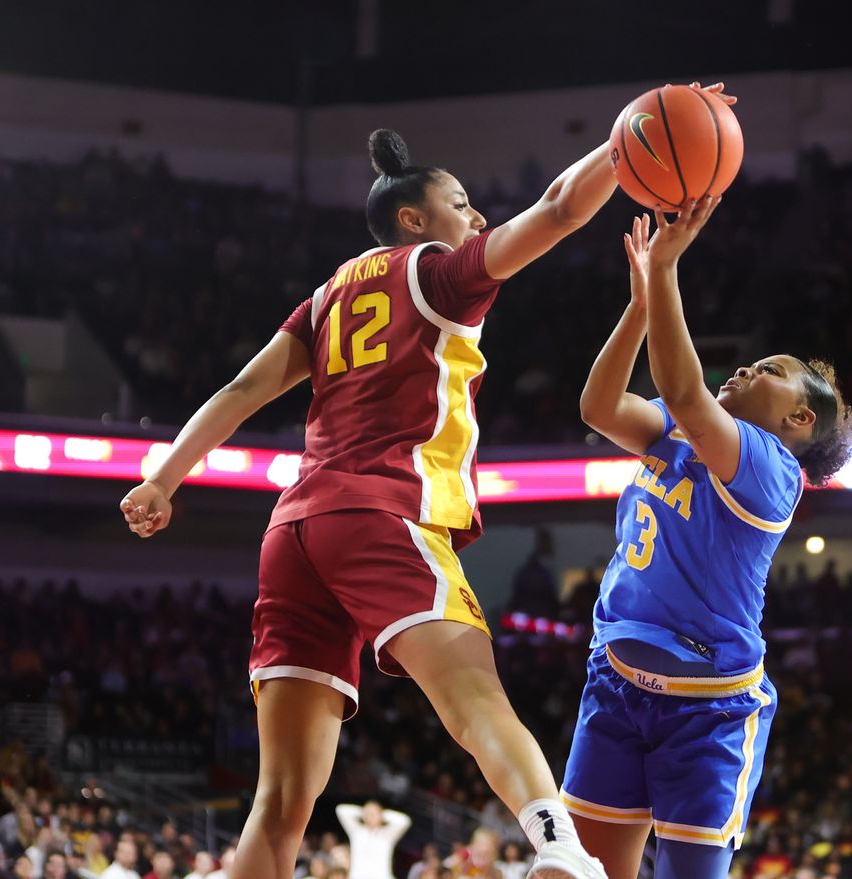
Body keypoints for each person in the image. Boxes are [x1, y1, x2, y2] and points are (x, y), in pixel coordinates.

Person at [118, 88, 755, 878]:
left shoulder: (324, 298)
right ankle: (561, 852)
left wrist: (162, 479)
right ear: (414, 221)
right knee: (475, 700)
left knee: (280, 803)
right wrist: (631, 141)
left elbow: (241, 392)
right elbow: (557, 209)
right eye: (462, 203)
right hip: (381, 511)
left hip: (292, 532)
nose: (479, 218)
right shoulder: (439, 274)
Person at [561, 197, 852, 879]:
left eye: (770, 370)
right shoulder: (681, 425)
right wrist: (641, 302)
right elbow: (598, 406)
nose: (749, 368)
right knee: (582, 872)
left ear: (798, 418)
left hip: (708, 710)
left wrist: (665, 270)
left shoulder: (772, 468)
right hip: (616, 682)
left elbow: (686, 390)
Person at [334, 802, 410, 879]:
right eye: (368, 813)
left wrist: (382, 814)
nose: (370, 816)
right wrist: (364, 811)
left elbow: (404, 821)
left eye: (374, 814)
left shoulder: (387, 835)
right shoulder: (356, 832)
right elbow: (340, 810)